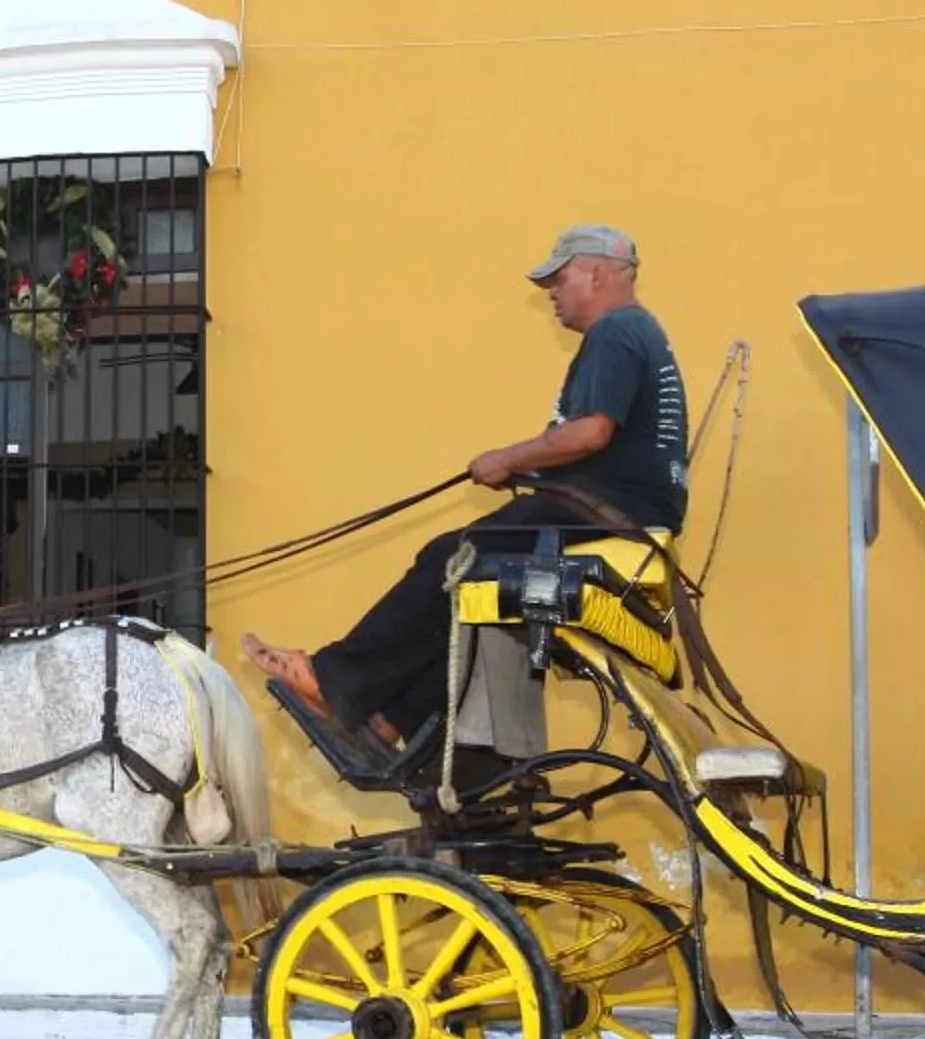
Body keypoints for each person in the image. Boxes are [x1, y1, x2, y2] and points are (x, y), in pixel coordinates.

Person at [242, 223, 690, 742]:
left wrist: (507, 458)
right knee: (478, 598)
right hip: (619, 513)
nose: (551, 294)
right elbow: (606, 444)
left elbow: (590, 432)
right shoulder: (641, 333)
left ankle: (333, 681)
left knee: (449, 560)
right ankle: (392, 721)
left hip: (595, 513)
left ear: (595, 274)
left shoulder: (614, 333)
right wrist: (529, 468)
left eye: (559, 279)